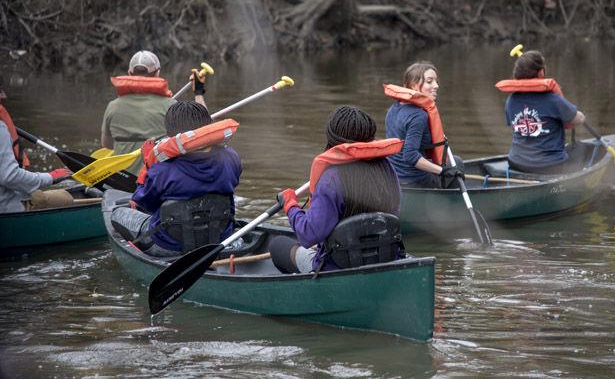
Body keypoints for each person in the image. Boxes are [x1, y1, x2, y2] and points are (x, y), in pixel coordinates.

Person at [269, 106, 404, 274]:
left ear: (332, 139)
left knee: (277, 245)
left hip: (337, 269)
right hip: (386, 258)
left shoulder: (331, 179)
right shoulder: (387, 168)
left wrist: (290, 205)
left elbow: (308, 235)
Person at [110, 101, 242, 257]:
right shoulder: (231, 158)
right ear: (208, 127)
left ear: (170, 135)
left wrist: (148, 166)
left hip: (168, 246)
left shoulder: (162, 170)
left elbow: (144, 203)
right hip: (222, 240)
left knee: (116, 214)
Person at [101, 50, 208, 175]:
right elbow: (203, 129)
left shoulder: (113, 106)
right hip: (157, 180)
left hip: (122, 179)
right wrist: (198, 93)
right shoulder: (170, 106)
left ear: (130, 73)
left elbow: (107, 145)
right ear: (158, 73)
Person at [496, 50, 586, 174]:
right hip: (550, 166)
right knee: (579, 152)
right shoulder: (553, 99)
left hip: (516, 163)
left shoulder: (511, 100)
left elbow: (514, 125)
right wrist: (580, 114)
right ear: (541, 73)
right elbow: (578, 119)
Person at [384, 61, 464, 189]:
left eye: (436, 81)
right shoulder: (419, 116)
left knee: (450, 162)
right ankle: (450, 204)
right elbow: (410, 156)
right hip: (415, 181)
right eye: (429, 81)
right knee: (457, 163)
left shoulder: (393, 109)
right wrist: (442, 171)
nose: (436, 85)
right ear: (413, 86)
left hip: (395, 178)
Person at [0, 82, 71, 213]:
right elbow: (9, 176)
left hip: (12, 198)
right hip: (7, 210)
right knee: (66, 199)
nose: (3, 97)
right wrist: (49, 177)